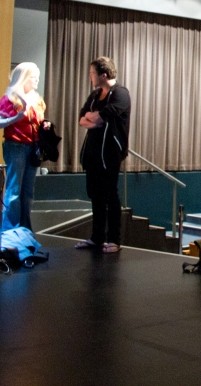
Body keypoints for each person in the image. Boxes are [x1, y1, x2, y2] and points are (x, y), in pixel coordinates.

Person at [75, 56, 131, 254]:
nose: (90, 77)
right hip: (92, 154)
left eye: (92, 73)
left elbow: (100, 118)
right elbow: (82, 118)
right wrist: (92, 118)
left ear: (104, 74)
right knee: (95, 195)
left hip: (109, 154)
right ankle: (97, 238)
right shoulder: (95, 94)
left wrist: (93, 118)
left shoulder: (120, 94)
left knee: (109, 195)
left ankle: (114, 239)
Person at [0, 62, 46, 232]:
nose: (37, 79)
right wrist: (16, 118)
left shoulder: (37, 100)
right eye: (33, 76)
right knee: (14, 191)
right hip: (16, 147)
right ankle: (10, 232)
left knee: (27, 193)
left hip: (33, 149)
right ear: (23, 78)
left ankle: (24, 230)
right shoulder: (10, 98)